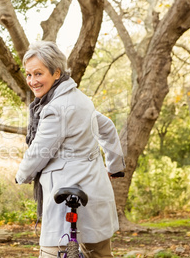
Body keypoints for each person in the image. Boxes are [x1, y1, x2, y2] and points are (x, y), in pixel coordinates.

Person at [15, 41, 125, 258]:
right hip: (94, 186)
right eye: (28, 74)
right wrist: (114, 167)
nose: (32, 81)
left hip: (65, 190)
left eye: (38, 74)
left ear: (56, 72)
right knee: (99, 253)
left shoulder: (55, 108)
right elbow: (108, 128)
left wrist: (21, 176)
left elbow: (39, 151)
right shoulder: (80, 99)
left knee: (51, 252)